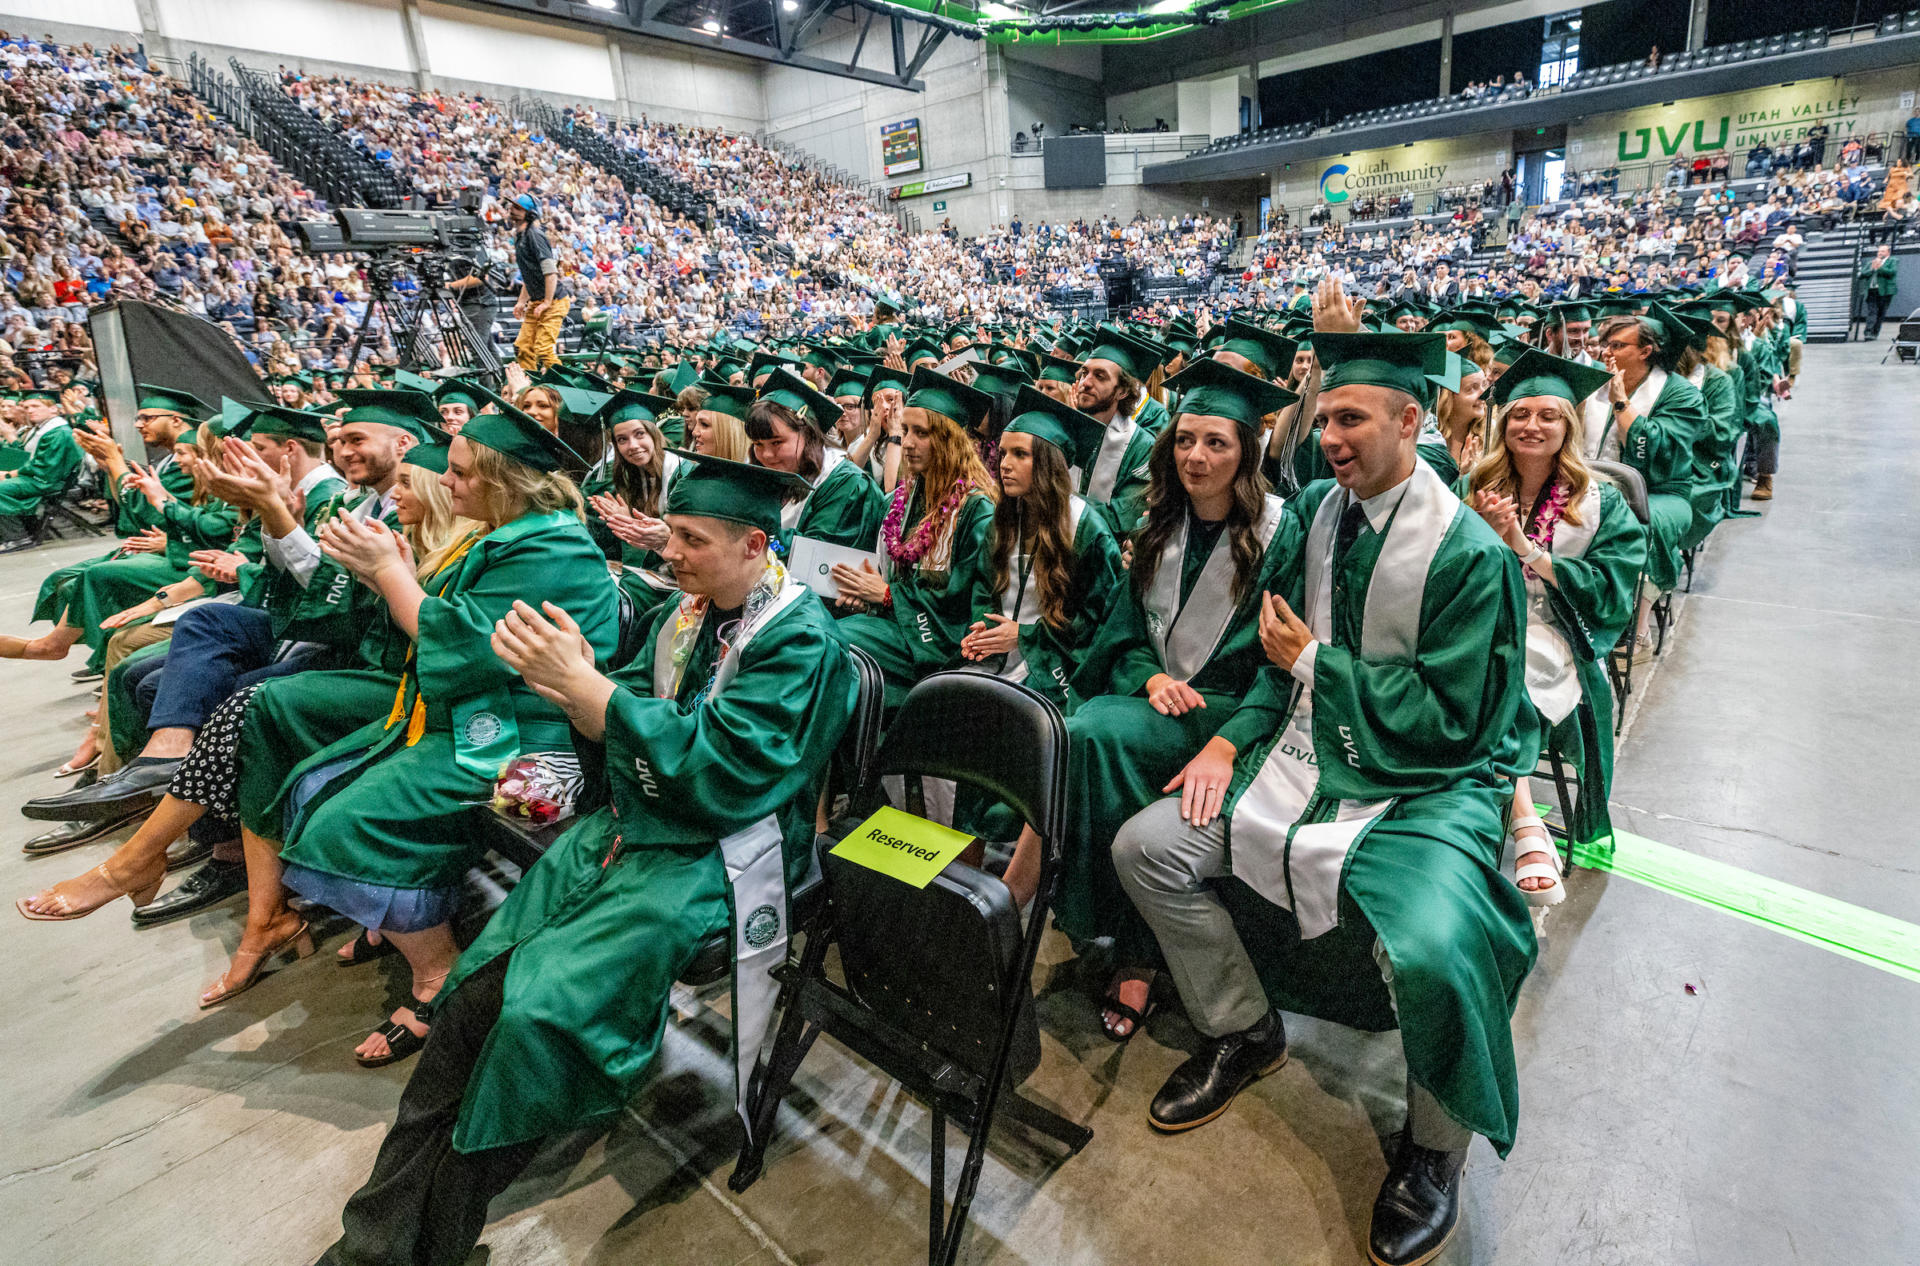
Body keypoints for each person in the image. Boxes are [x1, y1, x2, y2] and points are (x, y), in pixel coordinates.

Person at [312, 454, 857, 1266]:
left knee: (534, 1019)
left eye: (690, 539)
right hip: (631, 829)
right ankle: (378, 1241)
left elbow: (728, 771)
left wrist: (595, 696)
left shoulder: (799, 639)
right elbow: (629, 692)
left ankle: (413, 1245)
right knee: (471, 996)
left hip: (719, 858)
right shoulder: (692, 614)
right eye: (669, 533)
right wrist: (570, 681)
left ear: (754, 544)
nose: (666, 552)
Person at [1112, 331, 1534, 1266]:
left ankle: (1433, 1148)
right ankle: (1243, 1029)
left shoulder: (1470, 557)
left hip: (1423, 785)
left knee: (1434, 944)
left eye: (1353, 418)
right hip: (1300, 757)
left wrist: (1313, 663)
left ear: (1410, 420)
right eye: (1327, 417)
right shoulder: (1312, 512)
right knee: (1149, 848)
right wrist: (1226, 739)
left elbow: (1457, 721)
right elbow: (1272, 663)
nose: (1331, 436)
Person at [212, 401, 622, 1065]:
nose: (446, 484)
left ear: (506, 482)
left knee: (343, 824)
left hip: (548, 757)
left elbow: (465, 644)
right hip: (478, 723)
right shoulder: (509, 534)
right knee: (311, 786)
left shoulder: (551, 546)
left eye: (459, 473)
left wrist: (392, 573)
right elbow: (451, 627)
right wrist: (396, 568)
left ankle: (437, 971)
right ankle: (404, 918)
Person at [16, 441, 466, 923]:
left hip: (387, 670)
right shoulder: (364, 508)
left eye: (411, 479)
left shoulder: (381, 513)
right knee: (161, 667)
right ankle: (154, 792)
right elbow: (301, 579)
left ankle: (164, 856)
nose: (342, 449)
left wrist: (270, 520)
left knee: (237, 701)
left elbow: (380, 615)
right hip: (342, 639)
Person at [1014, 358, 1302, 1039]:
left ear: (1246, 453)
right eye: (1185, 440)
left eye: (1216, 443)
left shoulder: (1280, 535)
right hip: (1157, 700)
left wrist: (1228, 743)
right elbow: (1123, 634)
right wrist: (1150, 678)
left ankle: (1096, 932)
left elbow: (1280, 668)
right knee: (1093, 729)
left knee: (1092, 733)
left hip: (1235, 714)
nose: (1197, 456)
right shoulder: (1157, 527)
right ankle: (1118, 937)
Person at [1462, 349, 1647, 906]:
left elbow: (1612, 586)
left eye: (1548, 415)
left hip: (1553, 629)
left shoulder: (1599, 501)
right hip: (1477, 616)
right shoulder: (1474, 483)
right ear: (1503, 421)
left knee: (1506, 669)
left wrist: (1526, 549)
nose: (1531, 425)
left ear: (1568, 424)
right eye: (1520, 414)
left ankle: (1519, 816)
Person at [830, 368, 995, 707]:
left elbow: (965, 605)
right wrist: (869, 593)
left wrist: (889, 595)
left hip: (934, 645)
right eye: (905, 430)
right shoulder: (900, 500)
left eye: (921, 433)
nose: (907, 442)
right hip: (895, 628)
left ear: (950, 440)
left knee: (836, 644)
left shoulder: (977, 511)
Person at [1580, 308, 1706, 649]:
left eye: (1617, 346)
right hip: (1593, 483)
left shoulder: (1680, 394)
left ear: (1646, 351)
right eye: (1604, 344)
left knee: (1641, 525)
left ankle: (1636, 628)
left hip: (1661, 491)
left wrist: (1621, 402)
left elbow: (1664, 450)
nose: (1606, 352)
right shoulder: (1593, 381)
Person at [747, 368, 886, 552]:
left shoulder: (848, 485)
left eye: (777, 442)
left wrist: (747, 531)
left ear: (809, 435)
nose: (766, 455)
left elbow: (817, 555)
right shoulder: (777, 474)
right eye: (758, 444)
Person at [1070, 326, 1160, 533]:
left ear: (1122, 391)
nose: (1086, 383)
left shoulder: (1143, 447)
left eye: (1100, 376)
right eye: (1084, 373)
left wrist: (1055, 502)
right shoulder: (1064, 430)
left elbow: (1124, 516)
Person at [0, 387, 82, 538]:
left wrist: (10, 475)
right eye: (27, 407)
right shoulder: (40, 429)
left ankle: (17, 537)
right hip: (41, 477)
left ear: (53, 409)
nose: (30, 410)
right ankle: (28, 529)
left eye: (36, 406)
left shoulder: (58, 432)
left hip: (48, 481)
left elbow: (44, 467)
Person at [509, 193, 569, 372]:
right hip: (537, 301)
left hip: (554, 301)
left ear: (529, 213)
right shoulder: (520, 236)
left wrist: (547, 302)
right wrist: (521, 301)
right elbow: (530, 275)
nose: (512, 210)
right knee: (523, 348)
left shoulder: (535, 235)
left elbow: (551, 272)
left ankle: (564, 389)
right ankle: (531, 389)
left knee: (543, 349)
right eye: (512, 206)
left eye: (518, 208)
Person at [1858, 243, 1899, 339]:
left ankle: (1875, 333)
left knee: (1881, 312)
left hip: (1885, 292)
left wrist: (1879, 267)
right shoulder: (1871, 262)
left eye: (1882, 251)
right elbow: (1862, 274)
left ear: (1888, 253)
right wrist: (1872, 269)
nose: (1880, 253)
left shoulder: (1893, 261)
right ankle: (1868, 332)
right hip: (1872, 290)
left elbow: (1892, 272)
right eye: (1879, 251)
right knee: (1872, 312)